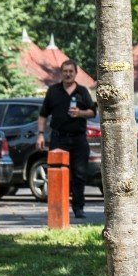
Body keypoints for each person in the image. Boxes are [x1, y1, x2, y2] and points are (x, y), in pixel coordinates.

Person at [36, 58, 96, 219]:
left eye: (71, 71)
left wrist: (80, 113)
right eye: (65, 71)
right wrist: (40, 135)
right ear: (61, 73)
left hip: (78, 139)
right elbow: (42, 115)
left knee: (79, 175)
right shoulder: (53, 91)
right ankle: (57, 207)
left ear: (76, 73)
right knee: (56, 174)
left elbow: (93, 112)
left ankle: (78, 208)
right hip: (59, 139)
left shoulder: (82, 92)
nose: (68, 74)